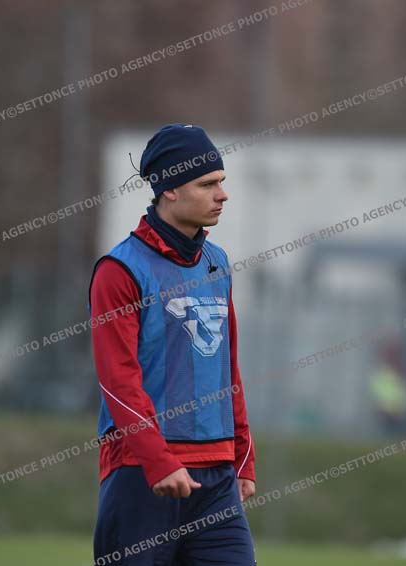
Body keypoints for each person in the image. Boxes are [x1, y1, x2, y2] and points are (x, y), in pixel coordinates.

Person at [89, 124, 256, 565]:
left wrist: (242, 453)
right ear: (170, 190)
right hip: (143, 473)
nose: (222, 194)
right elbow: (117, 382)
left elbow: (227, 368)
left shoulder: (217, 262)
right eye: (207, 184)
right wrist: (158, 460)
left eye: (221, 182)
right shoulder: (119, 270)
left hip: (217, 478)